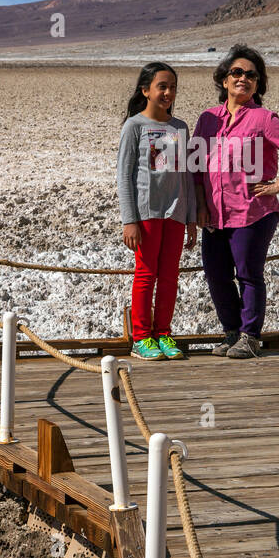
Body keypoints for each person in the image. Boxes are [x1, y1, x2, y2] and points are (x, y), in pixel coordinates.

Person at [193, 46, 279, 359]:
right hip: (214, 214)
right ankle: (231, 333)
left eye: (251, 75)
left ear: (258, 83)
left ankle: (250, 338)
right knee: (216, 274)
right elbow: (196, 165)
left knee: (248, 273)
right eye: (237, 73)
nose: (243, 78)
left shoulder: (263, 119)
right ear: (225, 80)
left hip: (253, 212)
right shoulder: (208, 120)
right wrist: (200, 205)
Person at [118, 62, 197, 360]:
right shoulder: (134, 126)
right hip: (146, 213)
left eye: (172, 87)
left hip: (174, 212)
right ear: (145, 90)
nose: (168, 92)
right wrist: (130, 220)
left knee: (169, 276)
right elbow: (124, 176)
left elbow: (186, 175)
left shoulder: (180, 127)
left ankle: (163, 334)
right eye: (162, 86)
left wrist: (190, 218)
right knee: (146, 274)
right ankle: (141, 338)